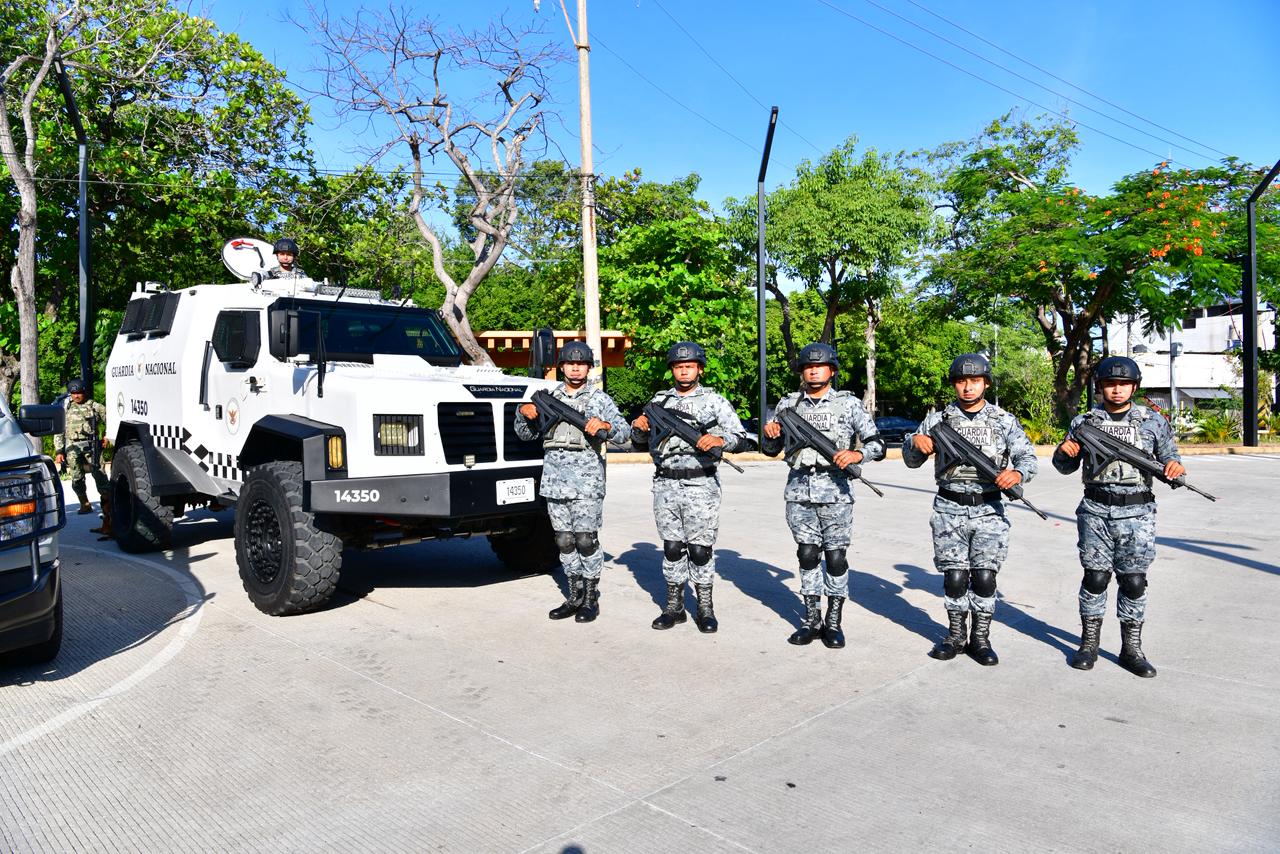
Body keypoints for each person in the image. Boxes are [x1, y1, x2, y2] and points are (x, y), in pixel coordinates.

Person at [902, 353, 1037, 666]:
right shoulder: (937, 421)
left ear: (985, 383)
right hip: (949, 506)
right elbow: (912, 460)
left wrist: (1016, 474)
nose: (967, 387)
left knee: (985, 578)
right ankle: (955, 636)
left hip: (988, 508)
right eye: (961, 381)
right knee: (954, 578)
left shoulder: (1003, 421)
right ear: (954, 384)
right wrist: (915, 443)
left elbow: (1028, 459)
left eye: (974, 380)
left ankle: (981, 638)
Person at [1053, 356, 1183, 678]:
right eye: (1110, 384)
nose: (1116, 390)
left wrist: (1176, 468)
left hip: (1137, 511)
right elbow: (1065, 467)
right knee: (1095, 578)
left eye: (1123, 384)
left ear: (1134, 387)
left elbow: (1170, 459)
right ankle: (1089, 643)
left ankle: (1131, 648)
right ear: (1100, 387)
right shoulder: (1085, 422)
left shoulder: (1153, 422)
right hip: (1096, 510)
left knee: (1133, 581)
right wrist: (1063, 452)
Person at [760, 343, 885, 649]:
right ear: (802, 371)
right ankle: (811, 619)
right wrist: (769, 434)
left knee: (836, 557)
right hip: (799, 489)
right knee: (807, 554)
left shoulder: (849, 404)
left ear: (832, 370)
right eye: (808, 366)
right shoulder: (788, 405)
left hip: (836, 490)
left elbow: (877, 445)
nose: (814, 370)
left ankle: (833, 620)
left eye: (820, 365)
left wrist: (857, 455)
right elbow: (771, 451)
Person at [631, 342, 747, 633]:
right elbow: (639, 443)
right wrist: (639, 428)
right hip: (666, 482)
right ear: (672, 370)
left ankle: (705, 608)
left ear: (700, 369)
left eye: (690, 366)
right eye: (679, 366)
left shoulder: (714, 401)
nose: (684, 371)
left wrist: (721, 441)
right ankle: (674, 607)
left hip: (701, 482)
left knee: (700, 550)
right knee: (672, 548)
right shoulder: (659, 402)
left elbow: (741, 437)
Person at [515, 342, 629, 622]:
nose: (575, 367)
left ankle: (591, 598)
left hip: (587, 483)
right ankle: (574, 595)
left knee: (586, 540)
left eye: (581, 363)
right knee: (564, 541)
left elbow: (624, 432)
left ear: (589, 368)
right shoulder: (547, 396)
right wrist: (523, 413)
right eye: (569, 363)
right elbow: (525, 435)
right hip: (555, 481)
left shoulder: (600, 400)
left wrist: (604, 426)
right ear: (561, 367)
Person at [56, 378, 112, 535]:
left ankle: (109, 516)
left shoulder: (94, 406)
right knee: (76, 478)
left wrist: (107, 435)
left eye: (79, 392)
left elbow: (111, 419)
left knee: (100, 478)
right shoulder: (65, 408)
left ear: (84, 392)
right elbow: (59, 430)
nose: (76, 396)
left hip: (91, 446)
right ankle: (84, 503)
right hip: (72, 447)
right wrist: (59, 451)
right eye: (73, 393)